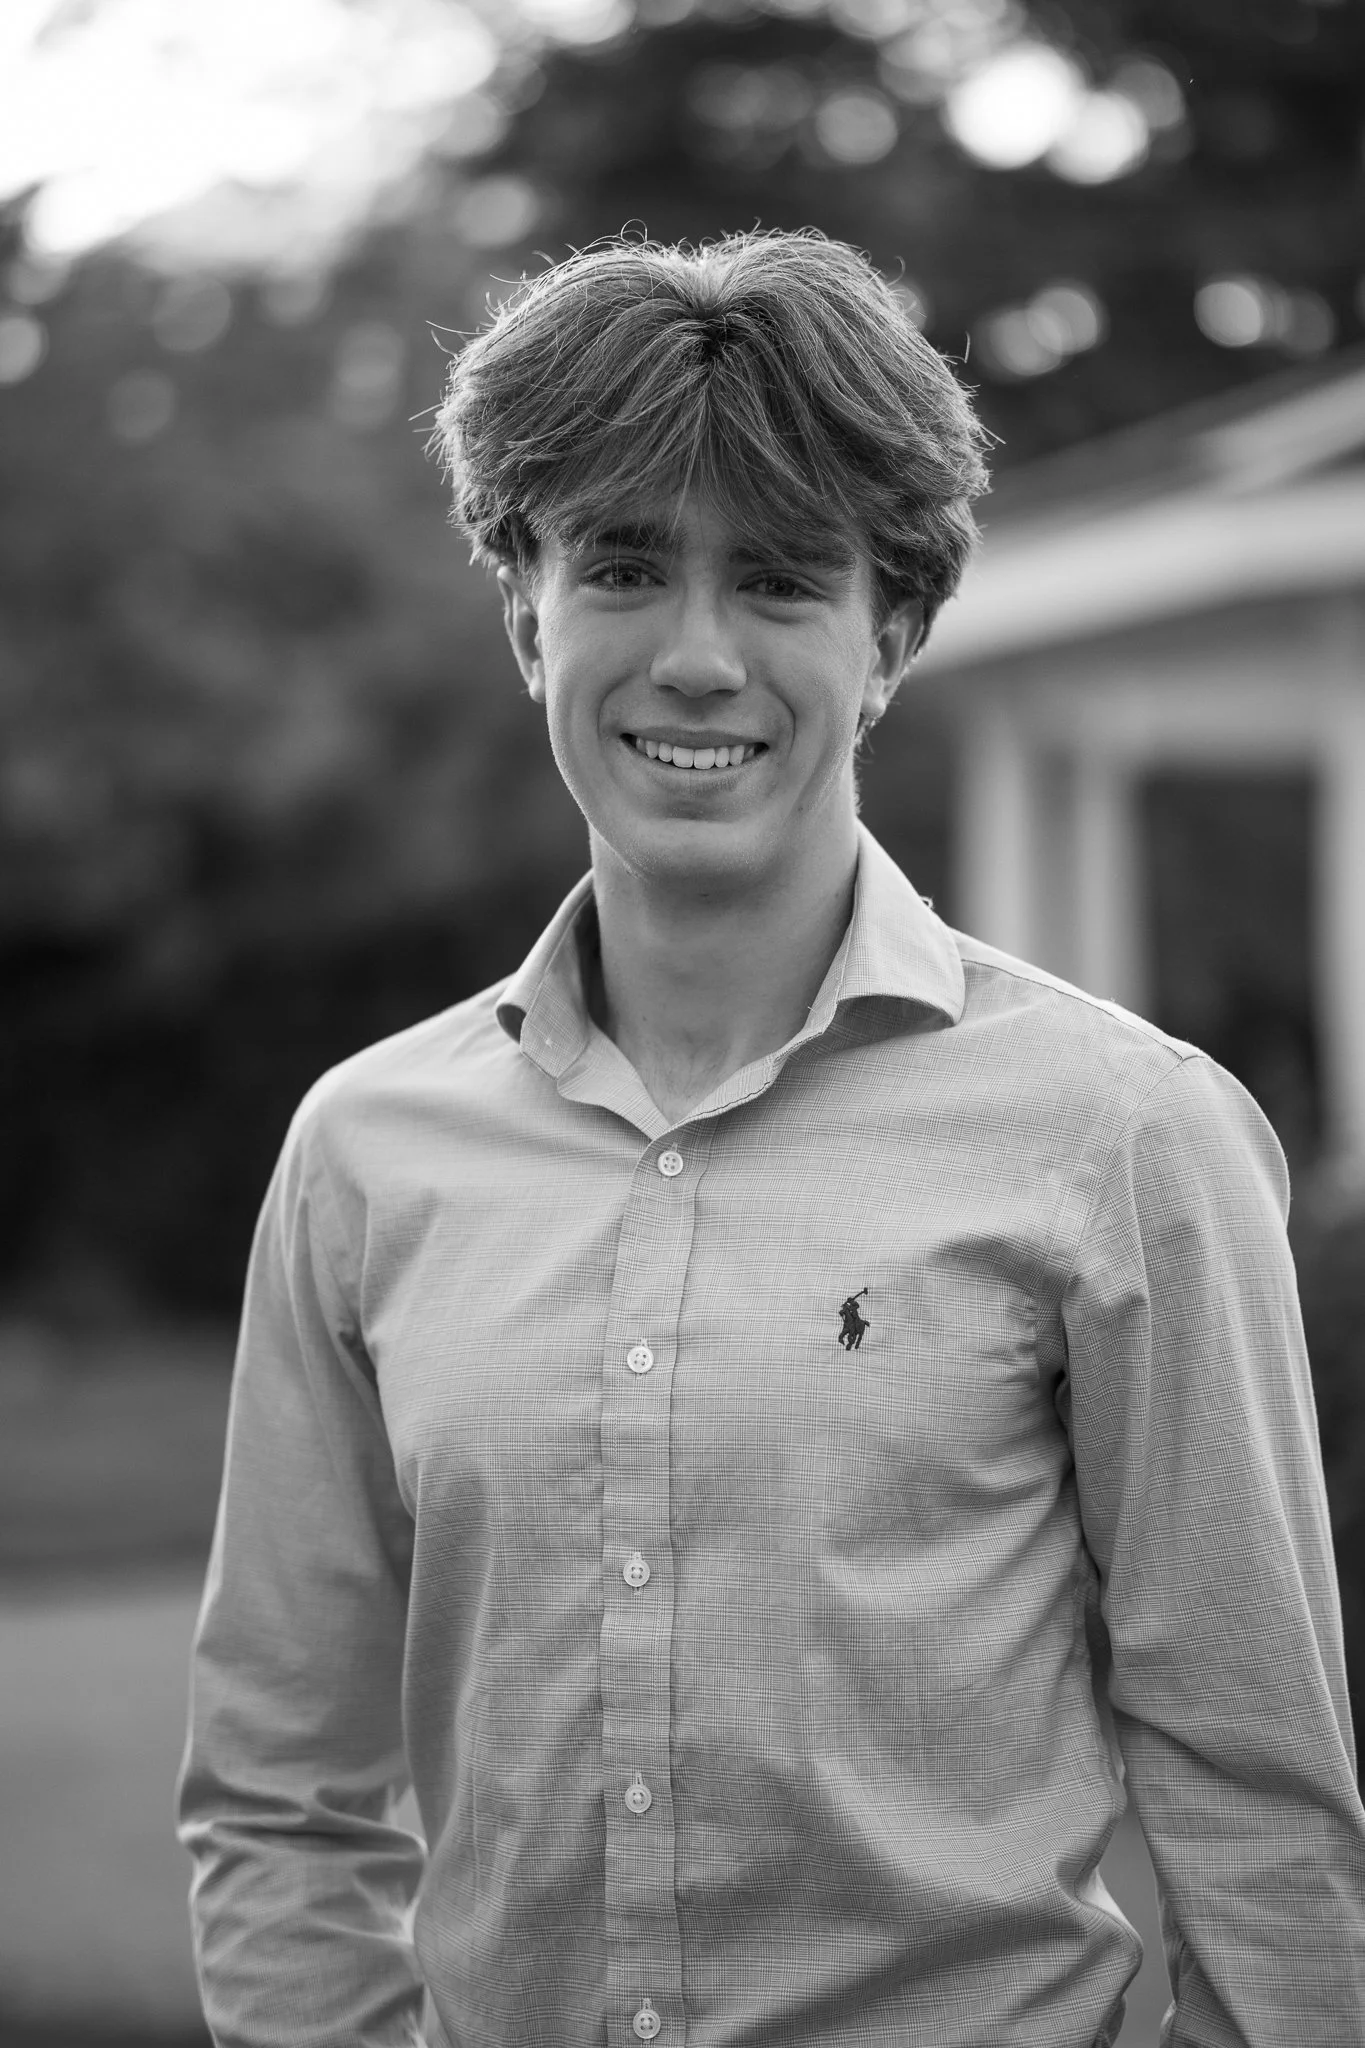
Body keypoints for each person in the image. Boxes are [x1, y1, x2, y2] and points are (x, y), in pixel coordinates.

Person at [176, 230, 1365, 2048]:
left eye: (785, 582)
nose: (701, 657)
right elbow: (282, 1796)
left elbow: (1262, 1805)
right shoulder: (363, 1155)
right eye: (628, 570)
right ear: (528, 618)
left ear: (890, 635)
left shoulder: (1128, 1135)